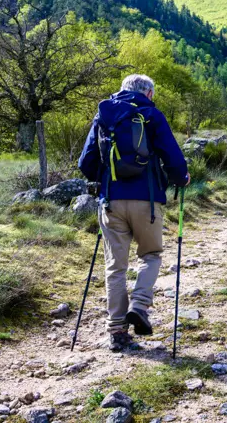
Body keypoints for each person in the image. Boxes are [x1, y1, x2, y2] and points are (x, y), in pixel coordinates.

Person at [78, 74, 189, 351]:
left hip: (111, 202)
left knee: (115, 266)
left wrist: (104, 179)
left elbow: (86, 163)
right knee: (150, 256)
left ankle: (116, 331)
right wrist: (182, 178)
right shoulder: (152, 115)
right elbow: (173, 158)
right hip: (147, 202)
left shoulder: (104, 115)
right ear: (149, 93)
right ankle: (139, 305)